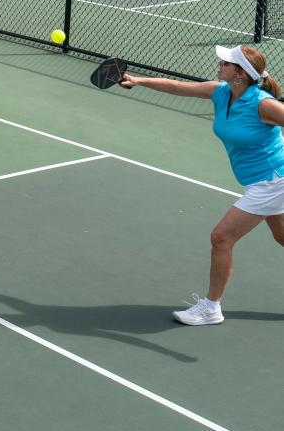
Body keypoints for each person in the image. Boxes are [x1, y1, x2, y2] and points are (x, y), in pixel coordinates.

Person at [119, 44, 284, 326]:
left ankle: (211, 307)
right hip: (262, 180)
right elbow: (175, 87)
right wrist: (138, 80)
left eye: (227, 62)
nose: (220, 63)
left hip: (273, 182)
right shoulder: (220, 92)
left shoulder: (263, 104)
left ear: (240, 74)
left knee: (221, 238)